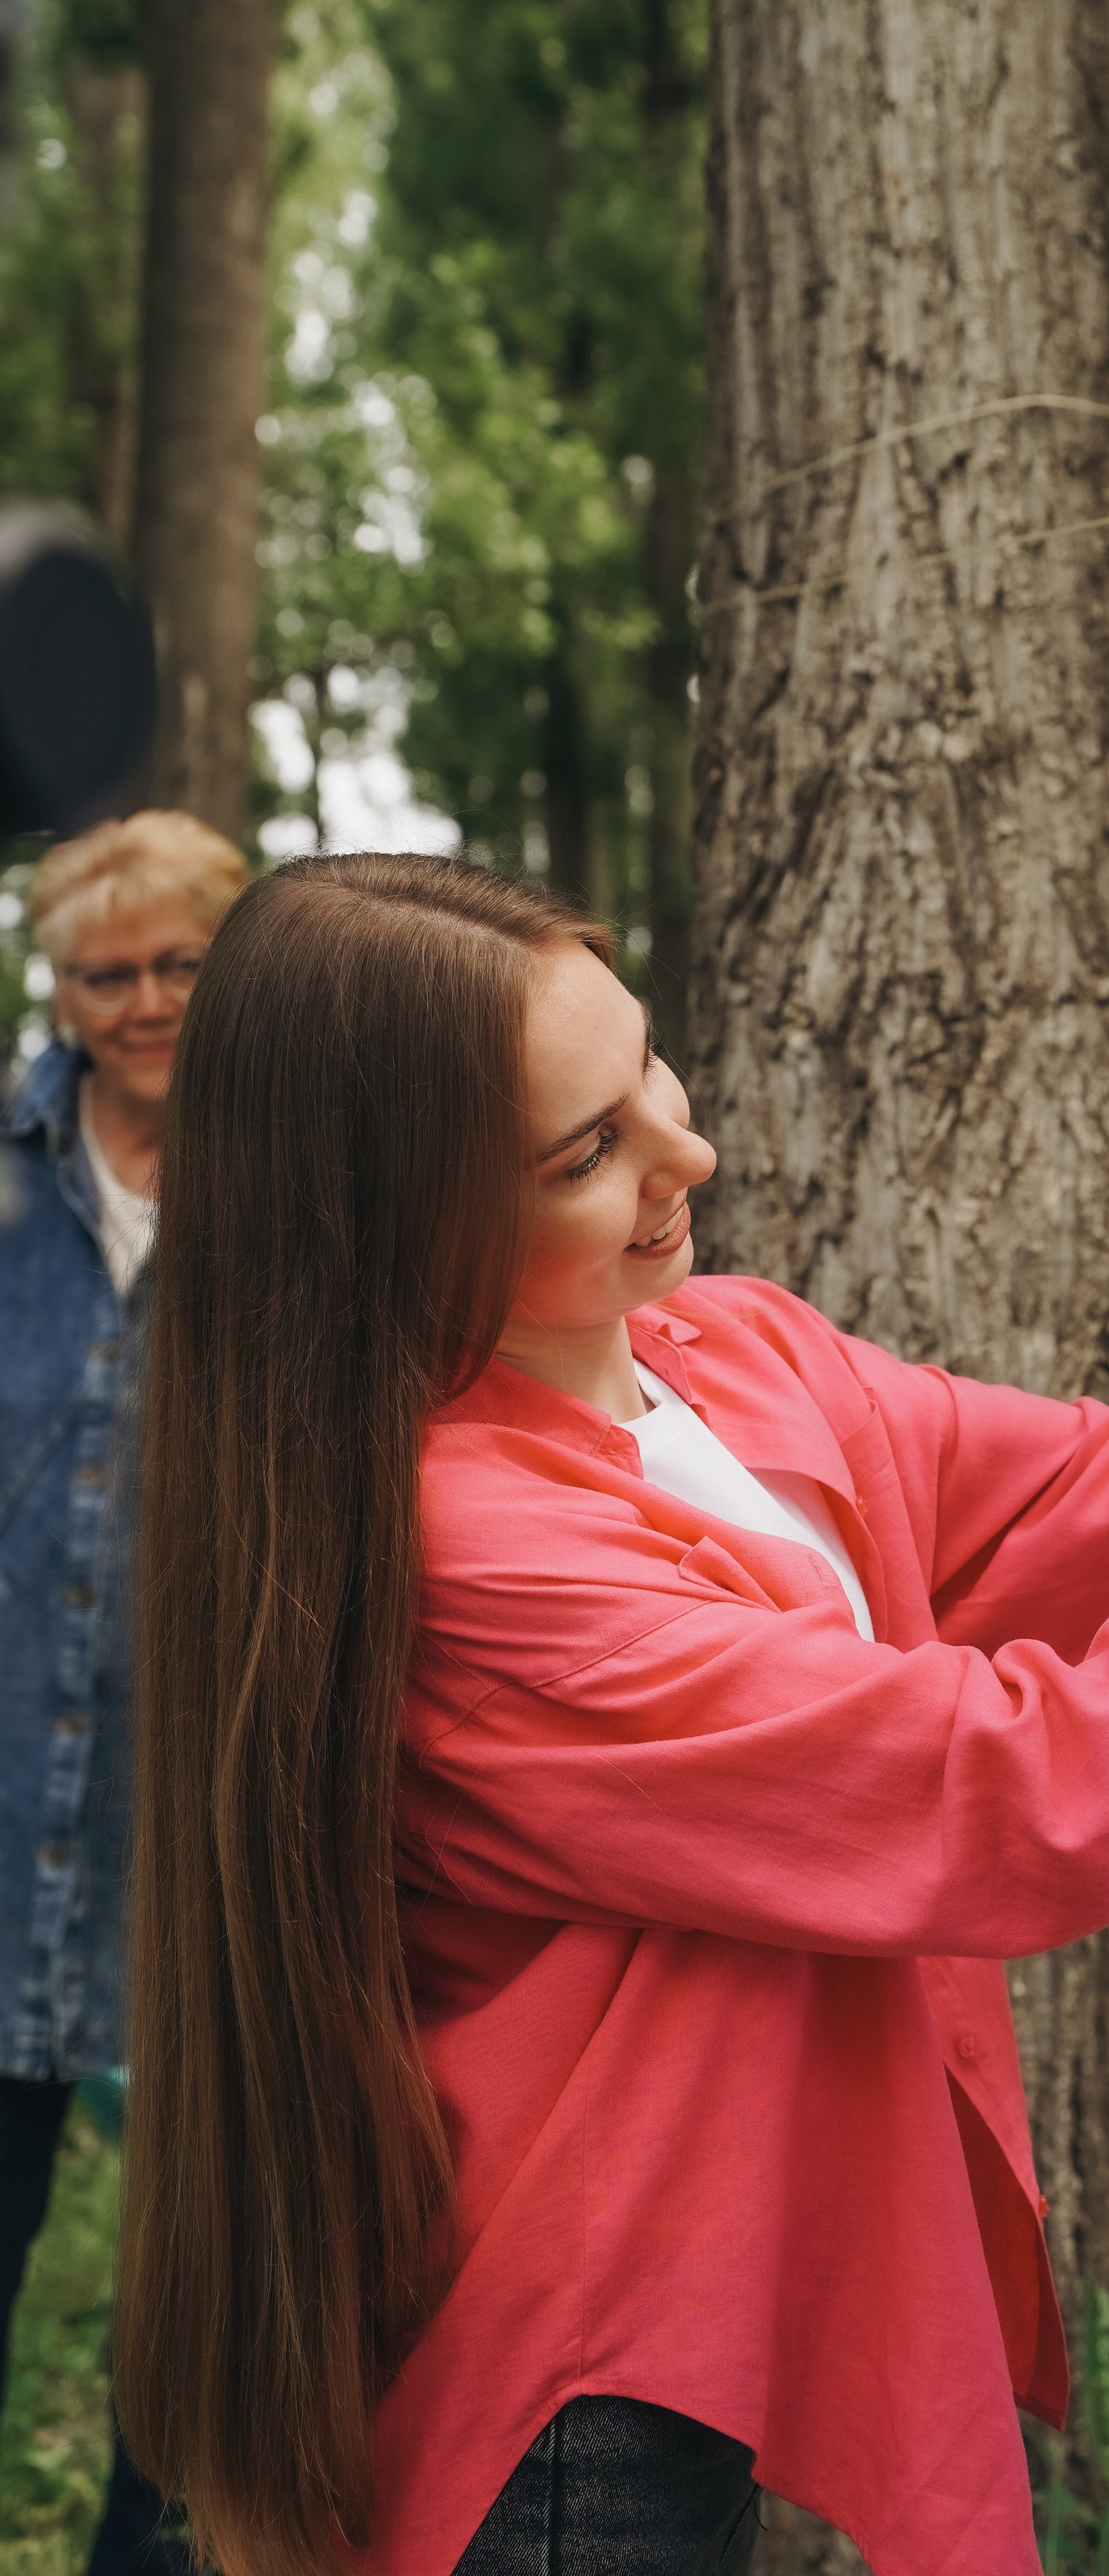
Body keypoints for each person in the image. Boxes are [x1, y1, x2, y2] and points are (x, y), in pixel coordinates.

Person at [114, 853, 1109, 2576]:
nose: (685, 1153)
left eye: (647, 1068)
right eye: (586, 1154)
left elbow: (1108, 1487)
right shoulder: (474, 1556)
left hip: (701, 2297)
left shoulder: (725, 1352)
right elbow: (1014, 1792)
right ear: (391, 1219)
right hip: (570, 2389)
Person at [0, 810, 246, 2575]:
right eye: (106, 975)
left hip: (204, 1813)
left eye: (178, 965)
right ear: (58, 990)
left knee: (200, 2289)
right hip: (5, 1791)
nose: (145, 1002)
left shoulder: (302, 1180)